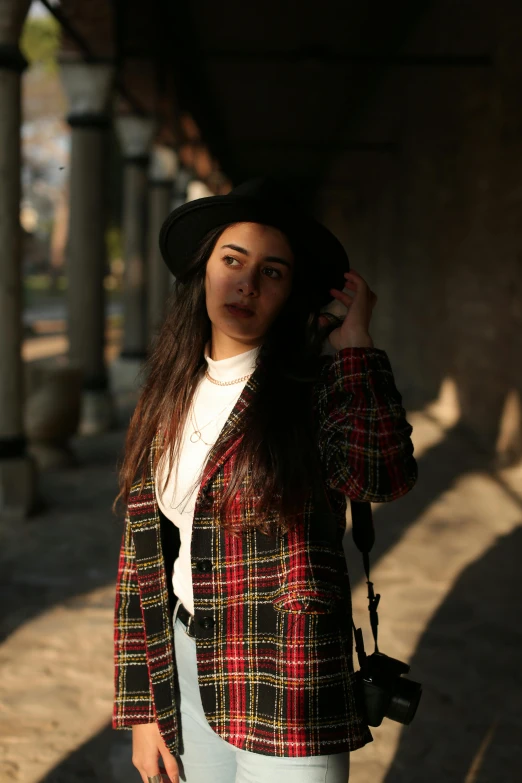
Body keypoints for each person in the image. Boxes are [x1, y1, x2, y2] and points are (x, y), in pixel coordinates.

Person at [112, 177, 418, 783]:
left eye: (272, 272)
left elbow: (382, 475)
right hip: (186, 661)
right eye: (233, 260)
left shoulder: (316, 391)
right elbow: (139, 557)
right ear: (206, 271)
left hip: (289, 678)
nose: (247, 282)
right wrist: (144, 705)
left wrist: (355, 344)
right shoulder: (168, 391)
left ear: (291, 294)